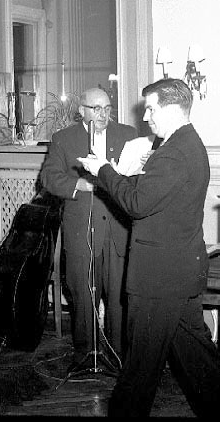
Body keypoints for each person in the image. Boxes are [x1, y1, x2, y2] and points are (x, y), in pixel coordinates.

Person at [78, 78, 220, 417]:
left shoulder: (173, 153)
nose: (146, 117)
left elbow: (137, 203)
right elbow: (153, 197)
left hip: (160, 279)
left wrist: (103, 170)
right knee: (197, 360)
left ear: (172, 109)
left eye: (152, 109)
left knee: (139, 370)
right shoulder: (186, 144)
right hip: (179, 273)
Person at [40, 87, 137, 369]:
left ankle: (117, 356)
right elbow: (48, 177)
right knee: (83, 295)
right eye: (96, 109)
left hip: (118, 230)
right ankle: (86, 354)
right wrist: (78, 185)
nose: (103, 114)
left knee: (119, 297)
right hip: (82, 230)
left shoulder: (128, 135)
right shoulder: (63, 139)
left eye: (107, 108)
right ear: (81, 110)